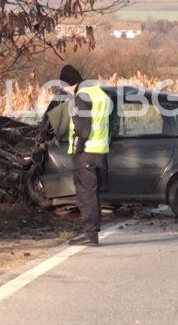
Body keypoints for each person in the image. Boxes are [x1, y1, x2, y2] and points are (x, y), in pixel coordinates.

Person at [59, 64, 112, 246]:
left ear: (70, 84)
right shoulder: (100, 94)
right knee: (93, 194)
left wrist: (77, 149)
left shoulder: (81, 97)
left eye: (64, 87)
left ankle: (90, 234)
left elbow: (82, 128)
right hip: (100, 152)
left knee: (85, 195)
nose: (64, 91)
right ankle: (92, 232)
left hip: (86, 153)